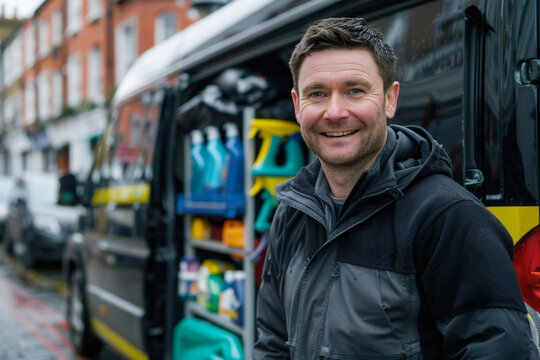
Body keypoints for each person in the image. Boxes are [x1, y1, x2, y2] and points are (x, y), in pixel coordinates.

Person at [253, 17, 539, 359]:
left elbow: (498, 350)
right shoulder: (292, 212)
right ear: (298, 106)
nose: (334, 111)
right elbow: (272, 342)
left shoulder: (447, 217)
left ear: (390, 99)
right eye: (317, 94)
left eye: (354, 90)